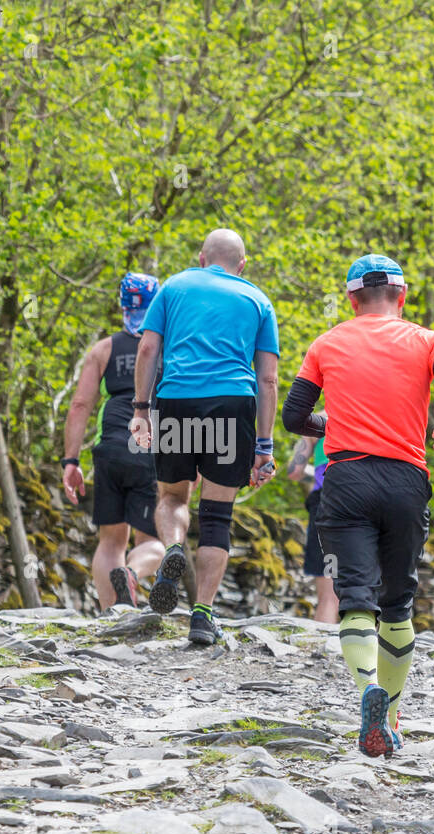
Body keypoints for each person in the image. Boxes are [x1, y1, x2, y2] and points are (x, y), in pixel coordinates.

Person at [283, 254, 434, 758]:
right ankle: (389, 713)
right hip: (406, 478)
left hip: (345, 478)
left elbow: (293, 416)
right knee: (398, 602)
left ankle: (366, 686)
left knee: (354, 597)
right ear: (402, 295)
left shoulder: (327, 343)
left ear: (351, 300)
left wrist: (335, 424)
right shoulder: (429, 340)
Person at [130, 228, 279, 645]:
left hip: (177, 398)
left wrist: (141, 411)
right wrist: (263, 447)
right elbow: (267, 379)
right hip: (233, 405)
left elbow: (147, 350)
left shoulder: (174, 286)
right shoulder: (258, 300)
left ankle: (173, 549)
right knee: (217, 517)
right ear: (242, 265)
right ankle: (202, 615)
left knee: (174, 497)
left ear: (201, 258)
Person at [60, 272, 166, 609]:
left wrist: (71, 461)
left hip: (109, 449)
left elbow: (79, 405)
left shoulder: (104, 349)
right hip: (151, 446)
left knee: (110, 540)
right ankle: (132, 574)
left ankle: (111, 616)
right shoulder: (169, 347)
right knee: (155, 542)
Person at [286, 433, 339, 623]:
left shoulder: (317, 423)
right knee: (366, 592)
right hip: (368, 500)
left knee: (329, 598)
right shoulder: (371, 415)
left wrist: (315, 473)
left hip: (328, 502)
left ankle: (324, 650)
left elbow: (294, 471)